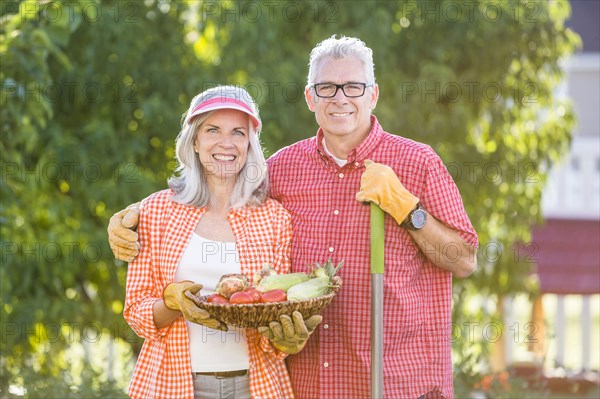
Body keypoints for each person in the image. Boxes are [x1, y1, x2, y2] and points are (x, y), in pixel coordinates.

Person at [110, 36, 478, 399]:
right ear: (310, 97)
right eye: (327, 88)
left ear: (373, 95)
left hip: (394, 382)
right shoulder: (283, 169)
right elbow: (221, 190)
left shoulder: (418, 162)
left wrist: (408, 209)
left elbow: (463, 260)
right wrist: (137, 214)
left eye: (353, 86)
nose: (340, 98)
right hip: (311, 381)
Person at [121, 85, 320, 399]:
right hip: (171, 385)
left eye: (238, 133)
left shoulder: (273, 218)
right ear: (195, 141)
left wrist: (285, 339)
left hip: (257, 386)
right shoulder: (156, 211)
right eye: (213, 130)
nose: (226, 143)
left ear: (249, 144)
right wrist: (173, 304)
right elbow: (136, 313)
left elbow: (278, 309)